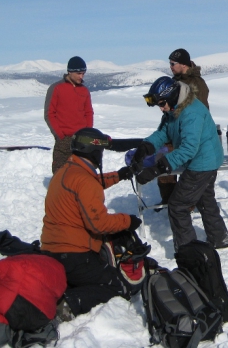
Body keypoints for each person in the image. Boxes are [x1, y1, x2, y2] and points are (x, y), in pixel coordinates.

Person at [41, 127, 140, 319]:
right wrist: (128, 221)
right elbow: (99, 224)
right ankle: (69, 303)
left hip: (52, 252)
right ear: (93, 151)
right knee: (118, 286)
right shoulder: (84, 180)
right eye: (100, 151)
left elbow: (91, 183)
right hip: (74, 255)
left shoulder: (67, 171)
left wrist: (118, 175)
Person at [132, 76, 228, 252]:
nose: (161, 108)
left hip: (202, 162)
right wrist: (145, 147)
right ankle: (220, 239)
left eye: (162, 104)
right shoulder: (174, 109)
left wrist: (157, 169)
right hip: (203, 160)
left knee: (178, 206)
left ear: (171, 97)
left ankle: (188, 251)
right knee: (205, 199)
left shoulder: (192, 113)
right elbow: (163, 132)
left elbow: (188, 149)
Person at [157, 49, 211, 207]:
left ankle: (183, 204)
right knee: (163, 163)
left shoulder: (196, 84)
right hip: (174, 133)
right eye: (170, 63)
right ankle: (169, 202)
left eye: (172, 64)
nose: (170, 66)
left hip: (188, 135)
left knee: (186, 169)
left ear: (183, 64)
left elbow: (195, 114)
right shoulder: (176, 81)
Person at [44, 56, 94, 173]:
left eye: (83, 73)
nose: (81, 77)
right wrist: (59, 135)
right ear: (70, 72)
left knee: (83, 171)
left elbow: (88, 112)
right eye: (79, 73)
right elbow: (49, 114)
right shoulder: (56, 88)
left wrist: (88, 132)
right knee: (60, 172)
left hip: (82, 138)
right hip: (64, 139)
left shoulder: (84, 90)